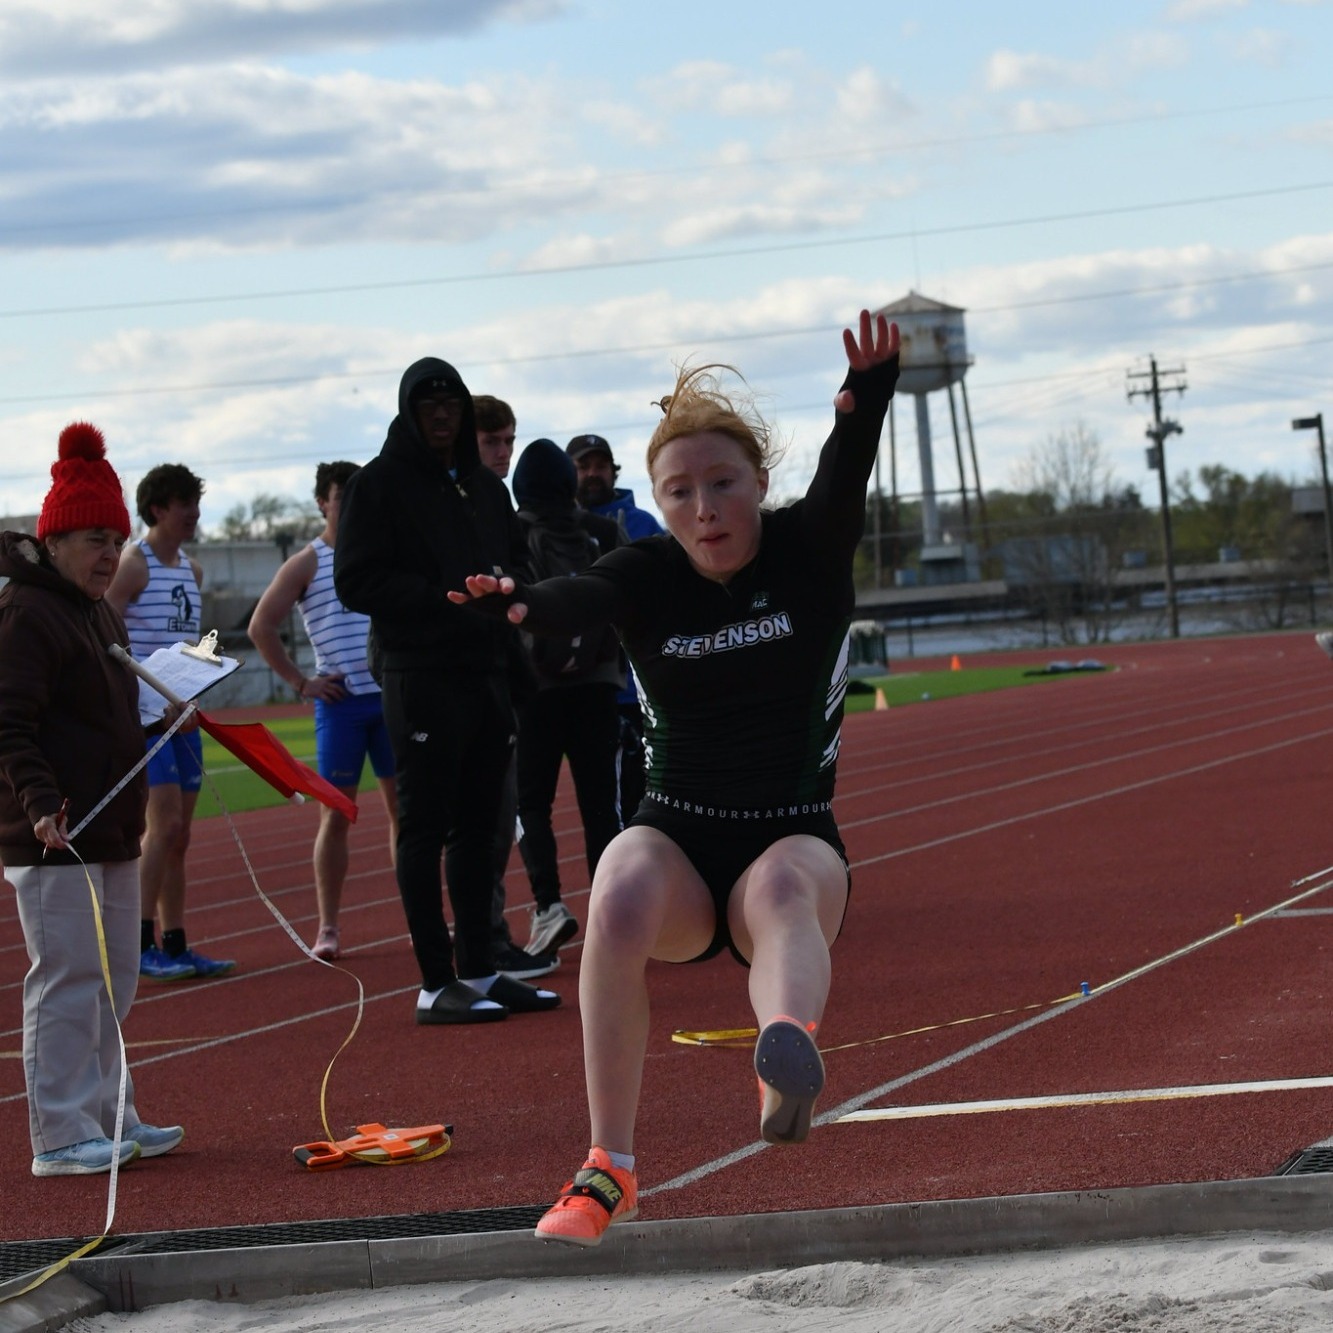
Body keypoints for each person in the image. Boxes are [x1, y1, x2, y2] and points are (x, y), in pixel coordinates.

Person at [453, 310, 900, 1244]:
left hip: (791, 832)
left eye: (723, 485)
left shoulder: (806, 553)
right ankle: (606, 1165)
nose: (705, 508)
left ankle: (785, 1059)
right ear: (657, 503)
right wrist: (523, 603)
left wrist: (866, 402)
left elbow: (845, 475)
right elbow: (583, 597)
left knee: (781, 889)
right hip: (682, 844)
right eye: (681, 491)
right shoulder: (649, 571)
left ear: (759, 485)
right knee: (615, 885)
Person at [334, 357, 560, 1023]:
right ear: (408, 410)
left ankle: (481, 967)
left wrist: (507, 589)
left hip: (486, 672)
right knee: (425, 826)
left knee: (480, 827)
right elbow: (356, 581)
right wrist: (444, 599)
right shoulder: (377, 486)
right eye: (427, 403)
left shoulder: (486, 491)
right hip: (420, 674)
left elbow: (518, 562)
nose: (440, 415)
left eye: (450, 403)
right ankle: (435, 982)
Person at [0, 422, 187, 1175]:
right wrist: (41, 802)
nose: (109, 554)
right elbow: (9, 720)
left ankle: (112, 1113)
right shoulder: (27, 613)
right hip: (55, 834)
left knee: (114, 977)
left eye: (115, 538)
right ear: (51, 541)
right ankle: (59, 1134)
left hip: (109, 825)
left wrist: (162, 704)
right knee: (68, 975)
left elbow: (104, 710)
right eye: (91, 539)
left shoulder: (95, 610)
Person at [246, 461, 399, 961]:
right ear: (321, 502)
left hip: (389, 698)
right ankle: (328, 926)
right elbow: (260, 626)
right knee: (335, 816)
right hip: (342, 706)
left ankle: (417, 916)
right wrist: (300, 682)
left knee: (406, 814)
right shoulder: (308, 562)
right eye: (341, 496)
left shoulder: (381, 550)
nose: (351, 504)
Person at [107, 462, 235, 981]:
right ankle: (138, 946)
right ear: (158, 509)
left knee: (180, 833)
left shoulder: (193, 569)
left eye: (197, 503)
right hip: (147, 718)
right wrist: (137, 701)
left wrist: (205, 670)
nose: (195, 514)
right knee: (161, 829)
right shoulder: (134, 564)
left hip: (183, 714)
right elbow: (106, 635)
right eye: (185, 504)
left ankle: (176, 942)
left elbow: (190, 643)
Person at [511, 439, 624, 959]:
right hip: (599, 683)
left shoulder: (513, 533)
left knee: (532, 802)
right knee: (600, 803)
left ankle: (548, 906)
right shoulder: (602, 531)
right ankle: (614, 908)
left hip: (534, 688)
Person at [473, 395, 557, 980]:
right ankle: (474, 949)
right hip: (446, 677)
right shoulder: (434, 500)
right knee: (467, 820)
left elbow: (522, 569)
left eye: (510, 440)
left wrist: (510, 583)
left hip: (498, 671)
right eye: (493, 441)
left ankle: (490, 940)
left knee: (499, 815)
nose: (505, 453)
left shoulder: (496, 499)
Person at [565, 432, 665, 841]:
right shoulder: (556, 529)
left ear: (613, 470)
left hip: (642, 686)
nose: (593, 474)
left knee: (652, 797)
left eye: (600, 465)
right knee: (604, 804)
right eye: (583, 466)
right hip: (585, 686)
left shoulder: (643, 524)